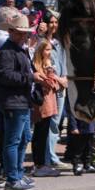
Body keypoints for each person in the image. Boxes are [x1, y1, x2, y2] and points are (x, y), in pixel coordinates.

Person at [0, 13, 40, 190]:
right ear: (11, 32)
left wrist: (34, 77)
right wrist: (31, 77)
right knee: (13, 141)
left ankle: (18, 174)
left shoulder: (19, 49)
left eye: (25, 33)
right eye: (20, 33)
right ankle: (12, 178)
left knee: (23, 139)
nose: (23, 36)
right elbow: (5, 76)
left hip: (22, 100)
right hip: (13, 101)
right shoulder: (6, 52)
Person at [39, 13, 71, 171]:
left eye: (56, 22)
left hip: (61, 86)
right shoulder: (42, 41)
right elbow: (42, 64)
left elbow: (63, 61)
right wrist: (58, 79)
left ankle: (51, 156)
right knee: (49, 122)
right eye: (50, 22)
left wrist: (64, 78)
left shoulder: (59, 42)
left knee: (56, 123)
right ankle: (48, 157)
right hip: (49, 86)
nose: (53, 25)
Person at [31, 41, 66, 178]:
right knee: (39, 134)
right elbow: (49, 83)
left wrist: (53, 79)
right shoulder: (37, 65)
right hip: (41, 103)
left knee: (43, 133)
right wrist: (51, 75)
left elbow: (56, 86)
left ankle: (41, 163)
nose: (49, 53)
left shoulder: (47, 64)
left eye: (50, 50)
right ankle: (39, 165)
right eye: (47, 50)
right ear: (40, 51)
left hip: (50, 103)